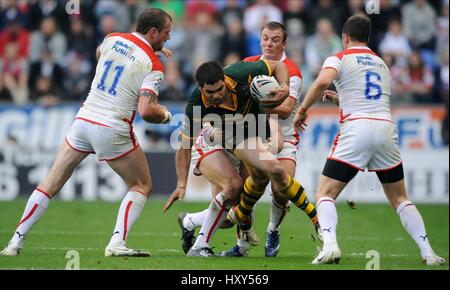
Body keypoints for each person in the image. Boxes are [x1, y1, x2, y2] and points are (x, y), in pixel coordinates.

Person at [1, 8, 173, 257]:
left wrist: (145, 53)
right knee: (140, 185)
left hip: (83, 120)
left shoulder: (111, 38)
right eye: (167, 33)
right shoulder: (153, 64)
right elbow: (146, 111)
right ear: (153, 31)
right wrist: (165, 115)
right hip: (112, 126)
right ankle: (116, 243)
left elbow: (101, 54)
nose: (169, 37)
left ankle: (14, 243)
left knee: (50, 184)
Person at [293, 14, 446, 266]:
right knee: (400, 198)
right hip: (386, 128)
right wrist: (339, 99)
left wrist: (302, 110)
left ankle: (330, 246)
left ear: (344, 37)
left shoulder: (339, 57)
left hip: (356, 128)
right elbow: (369, 99)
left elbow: (321, 81)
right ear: (368, 37)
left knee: (324, 193)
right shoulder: (381, 63)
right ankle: (428, 252)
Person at [177, 22, 319, 258]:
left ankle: (272, 230)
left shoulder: (291, 72)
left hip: (277, 135)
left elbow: (283, 111)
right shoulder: (247, 66)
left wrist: (274, 118)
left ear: (284, 43)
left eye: (275, 39)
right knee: (234, 200)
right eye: (265, 38)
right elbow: (189, 138)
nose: (269, 43)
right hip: (245, 135)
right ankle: (230, 240)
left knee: (279, 188)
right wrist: (183, 180)